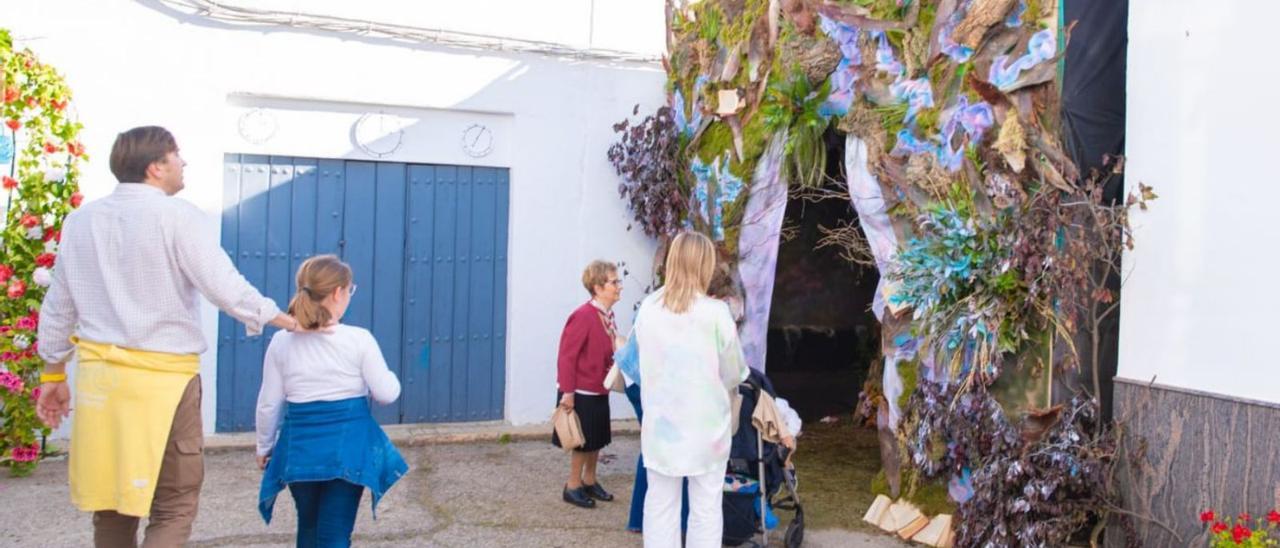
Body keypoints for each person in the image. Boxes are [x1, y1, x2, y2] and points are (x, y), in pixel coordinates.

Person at [34, 126, 300, 547]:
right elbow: (224, 285)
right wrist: (286, 320)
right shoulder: (179, 216)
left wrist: (52, 374)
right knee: (175, 498)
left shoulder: (81, 221)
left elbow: (59, 304)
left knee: (113, 500)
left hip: (102, 382)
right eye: (178, 156)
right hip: (165, 380)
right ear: (156, 166)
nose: (184, 164)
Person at [255, 255, 407, 547]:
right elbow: (387, 393)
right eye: (350, 290)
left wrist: (264, 445)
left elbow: (269, 403)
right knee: (335, 532)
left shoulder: (282, 342)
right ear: (338, 292)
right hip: (347, 448)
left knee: (309, 527)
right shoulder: (358, 339)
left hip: (300, 448)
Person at [632, 231, 749, 548]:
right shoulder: (715, 314)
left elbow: (635, 365)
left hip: (661, 427)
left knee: (660, 506)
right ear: (704, 265)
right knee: (706, 509)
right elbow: (735, 372)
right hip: (706, 428)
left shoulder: (649, 309)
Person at [552, 260, 622, 508]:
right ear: (597, 287)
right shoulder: (583, 316)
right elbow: (567, 356)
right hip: (580, 391)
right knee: (582, 441)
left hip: (598, 388)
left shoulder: (607, 316)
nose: (619, 287)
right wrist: (567, 393)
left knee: (597, 438)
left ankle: (590, 481)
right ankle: (572, 486)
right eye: (614, 282)